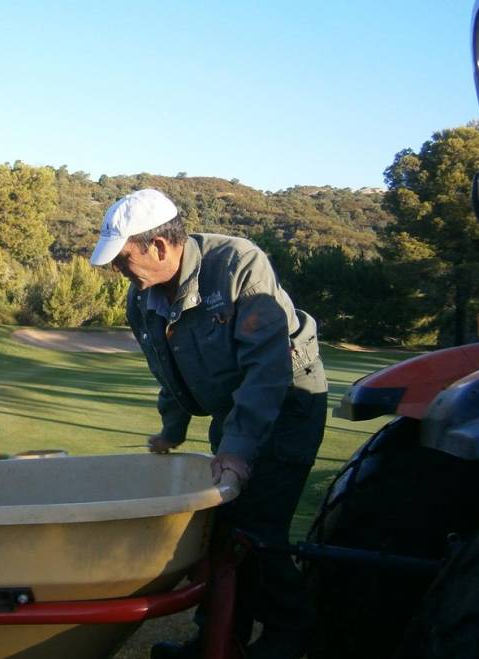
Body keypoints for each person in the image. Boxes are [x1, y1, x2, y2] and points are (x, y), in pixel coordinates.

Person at [88, 189, 327, 659]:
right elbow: (169, 371)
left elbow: (267, 369)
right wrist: (172, 429)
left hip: (288, 401)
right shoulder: (142, 300)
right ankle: (218, 639)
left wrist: (235, 452)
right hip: (231, 411)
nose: (120, 272)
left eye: (124, 259)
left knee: (256, 526)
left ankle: (291, 636)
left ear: (158, 246)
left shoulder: (238, 264)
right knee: (216, 527)